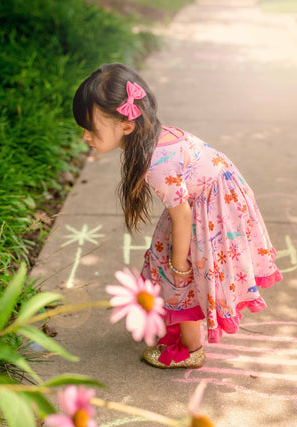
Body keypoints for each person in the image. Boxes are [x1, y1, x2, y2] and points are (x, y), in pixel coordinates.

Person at [72, 63, 283, 369]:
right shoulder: (153, 137)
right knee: (167, 258)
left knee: (181, 273)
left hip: (212, 209)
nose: (85, 136)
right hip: (209, 200)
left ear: (127, 125)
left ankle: (191, 348)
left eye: (91, 128)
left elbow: (182, 217)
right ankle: (178, 318)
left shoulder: (156, 163)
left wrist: (180, 264)